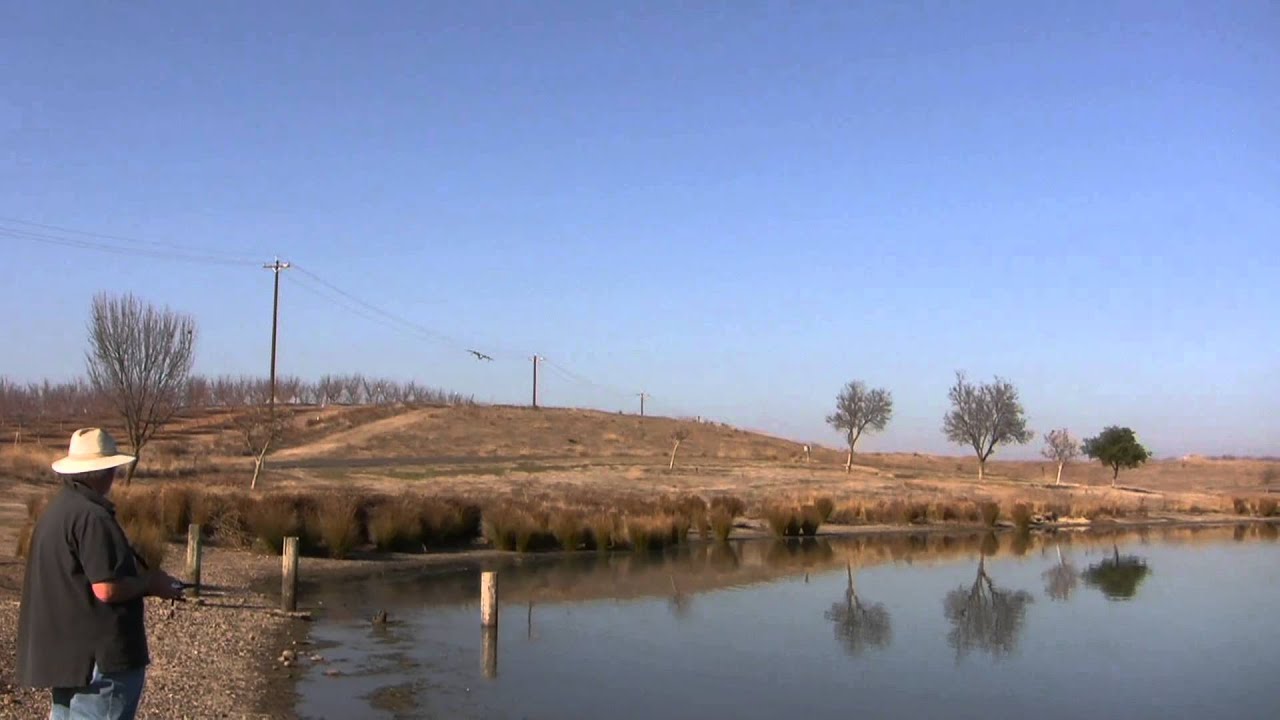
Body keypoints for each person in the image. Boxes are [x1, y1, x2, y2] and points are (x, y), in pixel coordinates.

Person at [16, 428, 184, 720]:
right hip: (101, 662)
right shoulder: (92, 516)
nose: (115, 474)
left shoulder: (56, 511)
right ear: (102, 471)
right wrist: (151, 583)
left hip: (67, 659)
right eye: (112, 468)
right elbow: (106, 588)